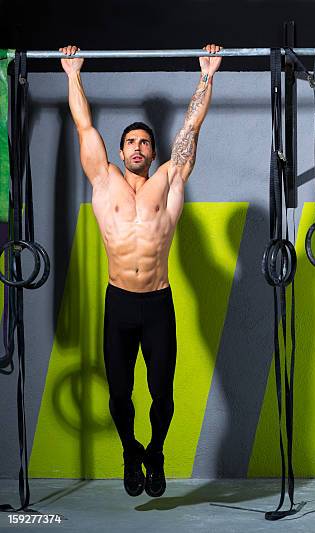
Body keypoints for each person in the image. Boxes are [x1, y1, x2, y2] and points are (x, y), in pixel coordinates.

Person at [60, 43, 223, 496]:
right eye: (130, 141)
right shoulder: (103, 178)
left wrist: (207, 73)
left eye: (144, 142)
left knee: (162, 394)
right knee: (119, 395)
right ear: (120, 150)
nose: (137, 147)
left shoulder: (169, 180)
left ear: (153, 152)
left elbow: (191, 126)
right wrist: (73, 73)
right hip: (119, 304)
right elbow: (83, 124)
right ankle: (132, 450)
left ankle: (156, 451)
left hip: (157, 304)